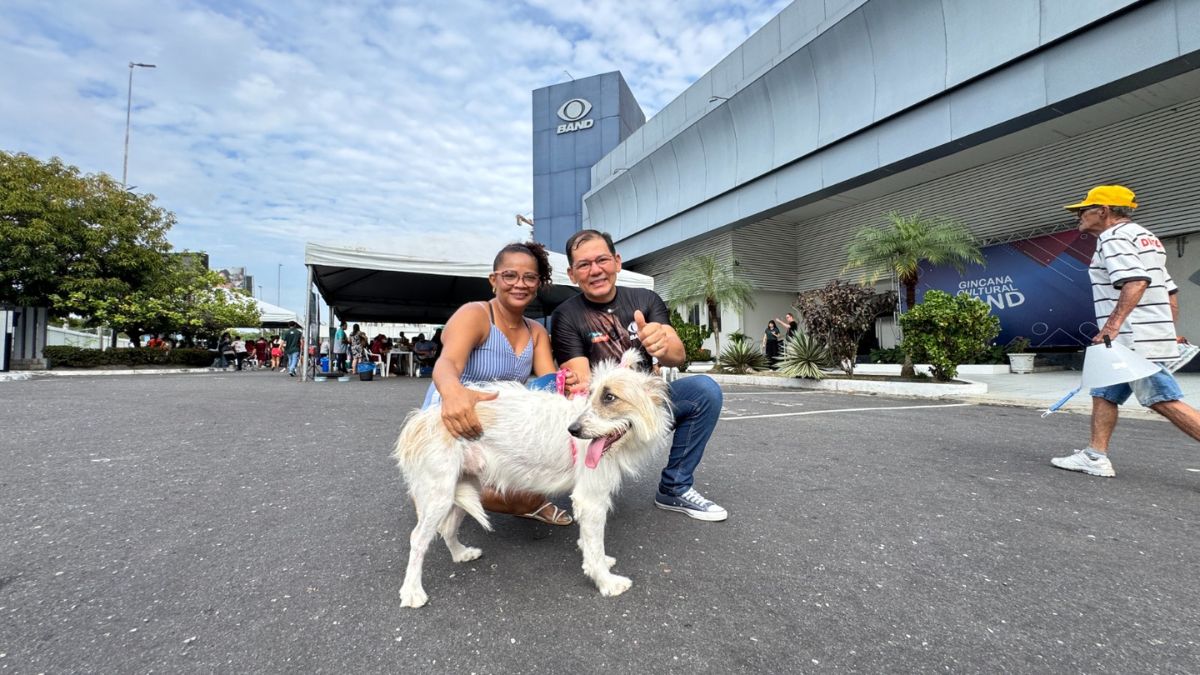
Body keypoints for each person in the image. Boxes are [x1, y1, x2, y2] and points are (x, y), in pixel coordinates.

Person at [551, 229, 728, 521]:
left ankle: (675, 487)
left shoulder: (645, 299)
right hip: (602, 410)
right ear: (572, 274)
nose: (595, 270)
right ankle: (581, 481)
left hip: (646, 407)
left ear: (617, 261)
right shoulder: (566, 315)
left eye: (602, 260)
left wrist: (662, 343)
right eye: (584, 264)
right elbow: (581, 384)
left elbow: (677, 355)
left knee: (704, 391)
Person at [423, 241, 576, 526]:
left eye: (529, 277)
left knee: (532, 492)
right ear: (494, 280)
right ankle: (435, 485)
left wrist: (566, 385)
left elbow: (548, 386)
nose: (520, 284)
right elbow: (447, 363)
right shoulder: (475, 314)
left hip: (497, 425)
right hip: (454, 416)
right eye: (510, 275)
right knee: (453, 492)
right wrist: (453, 394)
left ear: (538, 284)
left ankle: (450, 489)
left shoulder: (536, 331)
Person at [1051, 185, 1200, 477]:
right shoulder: (1146, 238)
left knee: (1161, 398)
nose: (1078, 216)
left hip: (1132, 338)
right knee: (1104, 391)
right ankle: (1095, 456)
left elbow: (1136, 280)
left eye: (1083, 210)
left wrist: (1111, 326)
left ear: (1103, 211)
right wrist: (1165, 330)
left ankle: (1095, 456)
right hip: (1143, 334)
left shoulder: (1113, 237)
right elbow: (1169, 290)